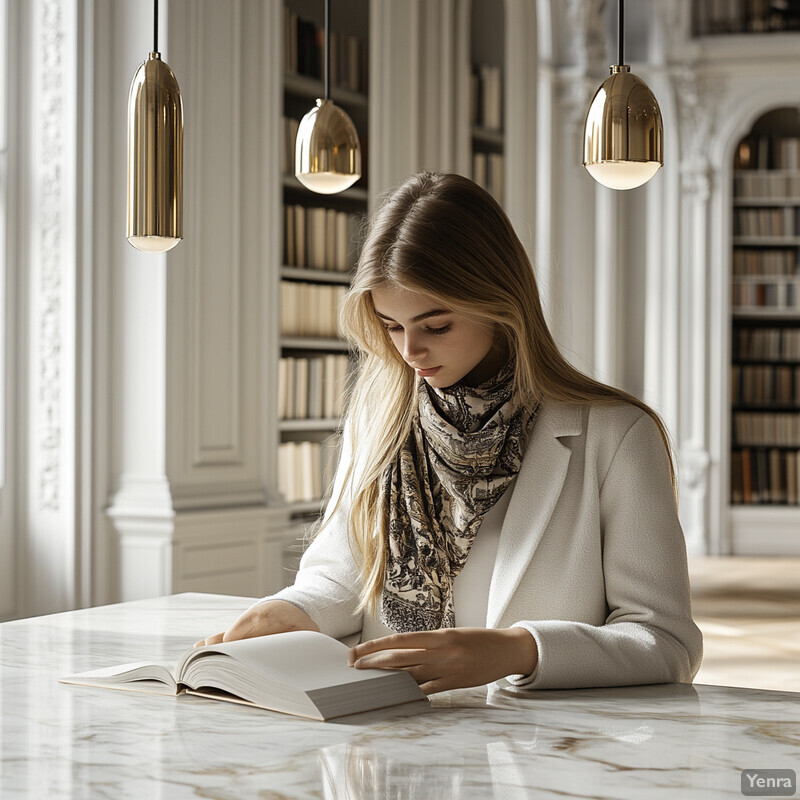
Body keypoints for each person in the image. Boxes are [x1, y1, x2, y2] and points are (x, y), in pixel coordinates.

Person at [197, 171, 703, 695]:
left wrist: (520, 649)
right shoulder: (379, 420)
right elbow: (340, 580)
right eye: (391, 326)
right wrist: (290, 611)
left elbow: (666, 641)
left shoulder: (616, 435)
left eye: (436, 326)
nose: (409, 351)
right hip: (389, 745)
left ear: (498, 303)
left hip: (540, 757)